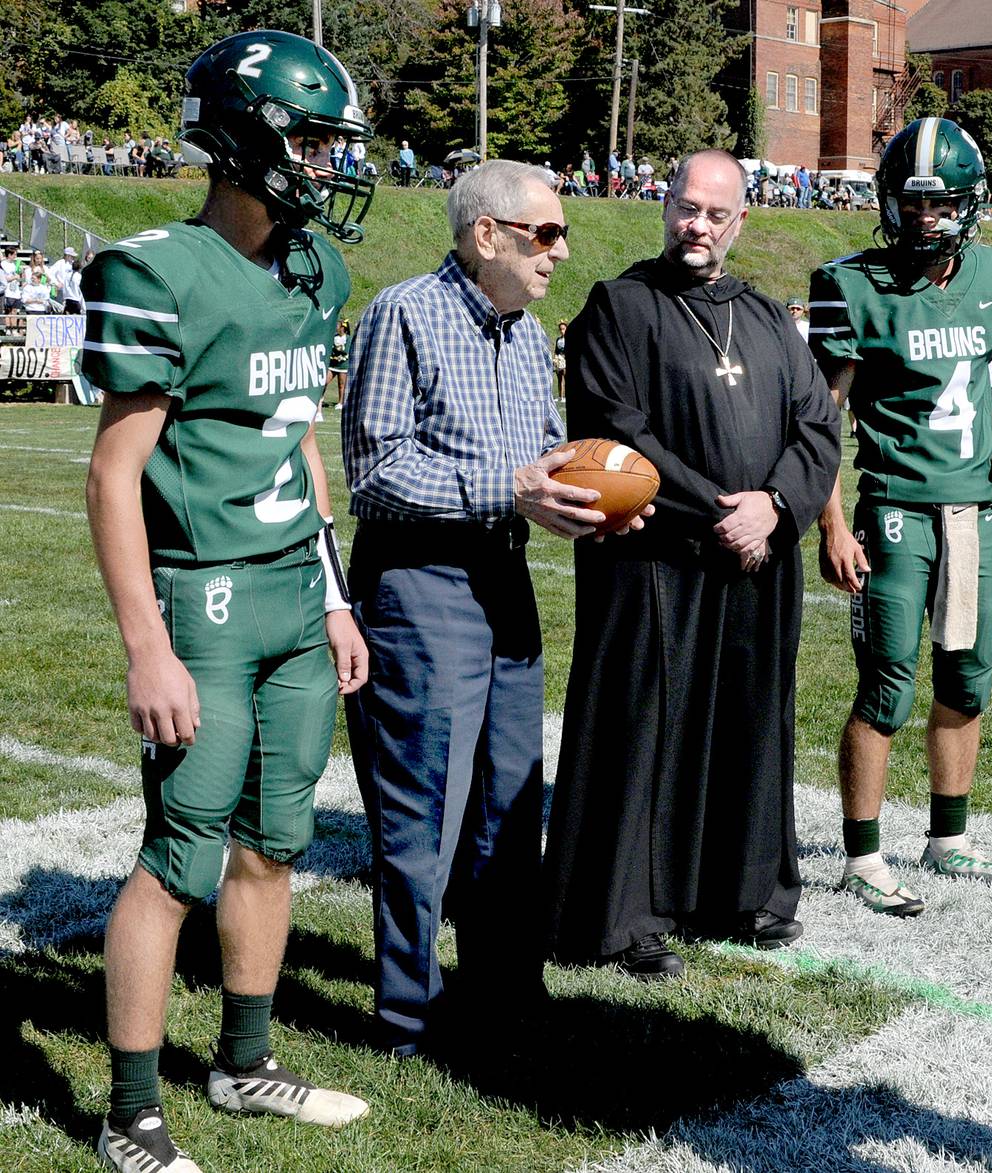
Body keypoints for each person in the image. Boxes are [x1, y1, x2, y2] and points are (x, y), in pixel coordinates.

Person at [82, 30, 377, 1173]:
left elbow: (301, 445)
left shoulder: (316, 268)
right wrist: (144, 646)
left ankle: (245, 1062)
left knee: (276, 837)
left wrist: (339, 597)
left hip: (295, 595)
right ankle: (129, 1114)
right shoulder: (154, 270)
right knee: (180, 851)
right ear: (245, 137)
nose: (328, 164)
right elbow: (114, 474)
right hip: (199, 594)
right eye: (309, 139)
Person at [342, 159, 624, 1056]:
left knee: (509, 797)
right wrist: (508, 489)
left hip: (502, 580)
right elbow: (376, 468)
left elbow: (543, 459)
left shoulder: (524, 331)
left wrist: (591, 498)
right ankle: (407, 1014)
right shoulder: (404, 313)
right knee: (421, 809)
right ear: (486, 236)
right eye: (546, 233)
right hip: (419, 585)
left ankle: (507, 986)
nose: (560, 252)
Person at [544, 149, 841, 980]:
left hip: (759, 558)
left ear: (741, 220)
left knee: (753, 719)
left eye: (715, 213)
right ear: (662, 206)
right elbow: (618, 432)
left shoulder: (770, 317)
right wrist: (721, 509)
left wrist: (776, 506)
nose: (697, 226)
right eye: (685, 208)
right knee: (649, 729)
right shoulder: (620, 305)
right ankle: (629, 914)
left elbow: (818, 427)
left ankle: (743, 891)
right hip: (660, 560)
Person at [810, 118, 992, 918]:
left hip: (974, 510)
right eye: (911, 204)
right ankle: (862, 854)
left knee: (967, 679)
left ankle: (948, 838)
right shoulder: (853, 283)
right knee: (888, 685)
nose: (924, 218)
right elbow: (822, 422)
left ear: (972, 203)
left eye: (942, 204)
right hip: (896, 508)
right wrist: (833, 525)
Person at [325, 318, 350, 409]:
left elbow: (346, 351)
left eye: (338, 326)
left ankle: (340, 403)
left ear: (343, 328)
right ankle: (320, 398)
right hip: (332, 365)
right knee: (324, 381)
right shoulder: (334, 337)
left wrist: (341, 357)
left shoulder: (347, 338)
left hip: (343, 365)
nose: (336, 327)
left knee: (341, 384)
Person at [552, 318, 568, 399]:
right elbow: (556, 350)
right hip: (559, 360)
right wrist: (555, 358)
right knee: (559, 378)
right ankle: (560, 396)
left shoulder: (569, 338)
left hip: (565, 360)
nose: (562, 331)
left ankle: (566, 396)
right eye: (561, 329)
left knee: (566, 378)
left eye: (563, 329)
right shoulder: (558, 339)